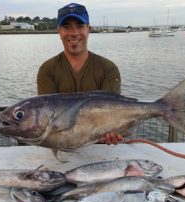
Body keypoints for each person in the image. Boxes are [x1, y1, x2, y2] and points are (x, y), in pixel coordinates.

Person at [37, 2, 122, 145]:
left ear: (89, 29)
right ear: (59, 31)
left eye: (80, 25)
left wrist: (115, 130)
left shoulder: (108, 68)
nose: (74, 32)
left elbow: (112, 111)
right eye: (66, 26)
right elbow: (46, 121)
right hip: (61, 149)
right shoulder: (47, 70)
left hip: (101, 149)